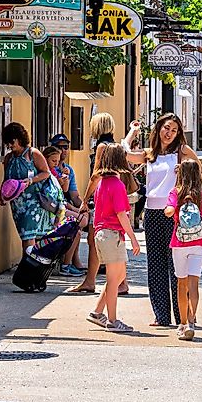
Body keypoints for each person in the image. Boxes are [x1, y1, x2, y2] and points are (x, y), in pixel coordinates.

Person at [122, 113, 202, 328]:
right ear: (159, 129)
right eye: (167, 128)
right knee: (155, 265)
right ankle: (161, 315)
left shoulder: (182, 152)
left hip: (174, 213)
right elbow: (126, 153)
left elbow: (200, 173)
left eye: (174, 130)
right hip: (152, 212)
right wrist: (133, 131)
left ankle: (183, 316)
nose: (169, 133)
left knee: (177, 265)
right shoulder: (150, 154)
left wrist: (184, 176)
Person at [71, 114, 139, 295]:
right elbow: (127, 142)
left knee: (96, 240)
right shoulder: (115, 145)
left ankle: (93, 281)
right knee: (113, 237)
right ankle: (110, 281)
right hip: (117, 195)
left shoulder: (102, 147)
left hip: (104, 197)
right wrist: (133, 130)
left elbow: (96, 175)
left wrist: (85, 200)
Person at [86, 143, 142, 333]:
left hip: (104, 233)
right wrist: (133, 239)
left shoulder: (102, 183)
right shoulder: (117, 185)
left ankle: (97, 312)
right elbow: (121, 214)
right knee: (113, 278)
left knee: (118, 276)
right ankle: (112, 320)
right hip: (112, 234)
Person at [164, 159, 202, 340]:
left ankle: (183, 323)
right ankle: (192, 319)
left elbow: (169, 210)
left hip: (179, 243)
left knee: (181, 284)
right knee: (194, 283)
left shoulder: (175, 192)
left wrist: (172, 209)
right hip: (199, 242)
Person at [0, 123, 63, 250]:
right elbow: (6, 179)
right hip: (17, 203)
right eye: (8, 143)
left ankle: (29, 264)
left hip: (33, 201)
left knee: (29, 235)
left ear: (19, 138)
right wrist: (1, 194)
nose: (10, 145)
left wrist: (31, 180)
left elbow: (46, 173)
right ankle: (31, 262)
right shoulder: (9, 158)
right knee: (24, 234)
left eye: (12, 142)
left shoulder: (32, 153)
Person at [43, 142, 84, 276]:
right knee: (76, 229)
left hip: (57, 209)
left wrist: (64, 179)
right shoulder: (45, 173)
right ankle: (66, 265)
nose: (56, 163)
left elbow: (65, 190)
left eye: (57, 160)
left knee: (78, 226)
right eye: (53, 160)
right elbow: (52, 196)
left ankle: (70, 261)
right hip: (50, 212)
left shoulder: (57, 171)